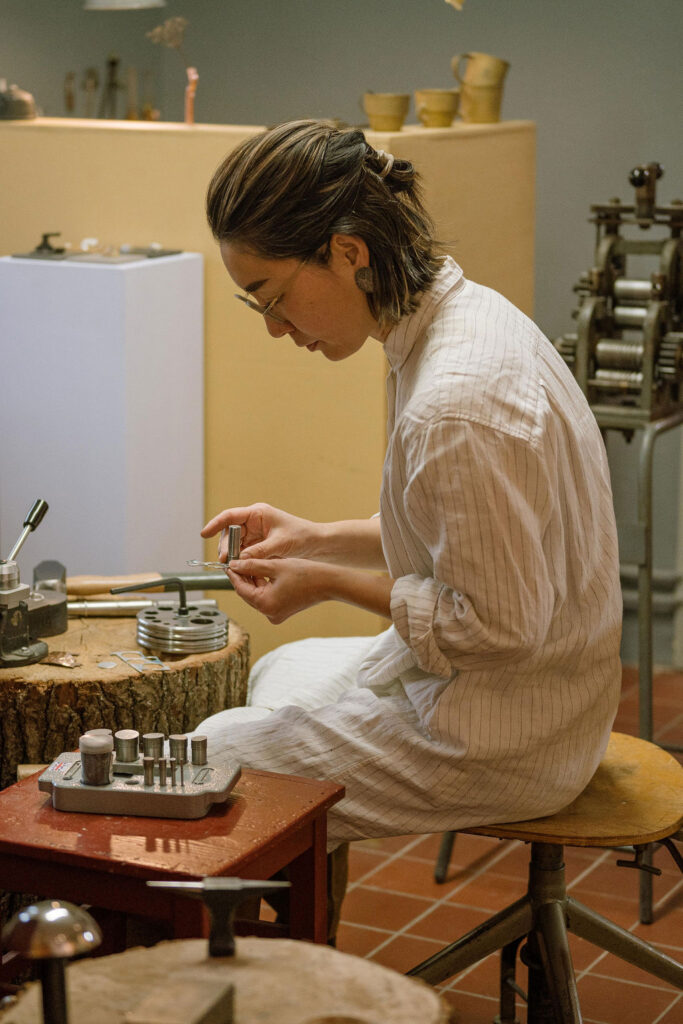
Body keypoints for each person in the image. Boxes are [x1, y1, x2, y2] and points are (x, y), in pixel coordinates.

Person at [195, 119, 622, 885]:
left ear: (347, 252)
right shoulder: (449, 319)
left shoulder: (455, 403)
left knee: (215, 762)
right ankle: (298, 943)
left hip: (511, 737)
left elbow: (494, 625)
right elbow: (456, 543)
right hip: (524, 693)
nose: (273, 328)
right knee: (283, 671)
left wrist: (324, 580)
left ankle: (272, 982)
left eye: (274, 296)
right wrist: (314, 538)